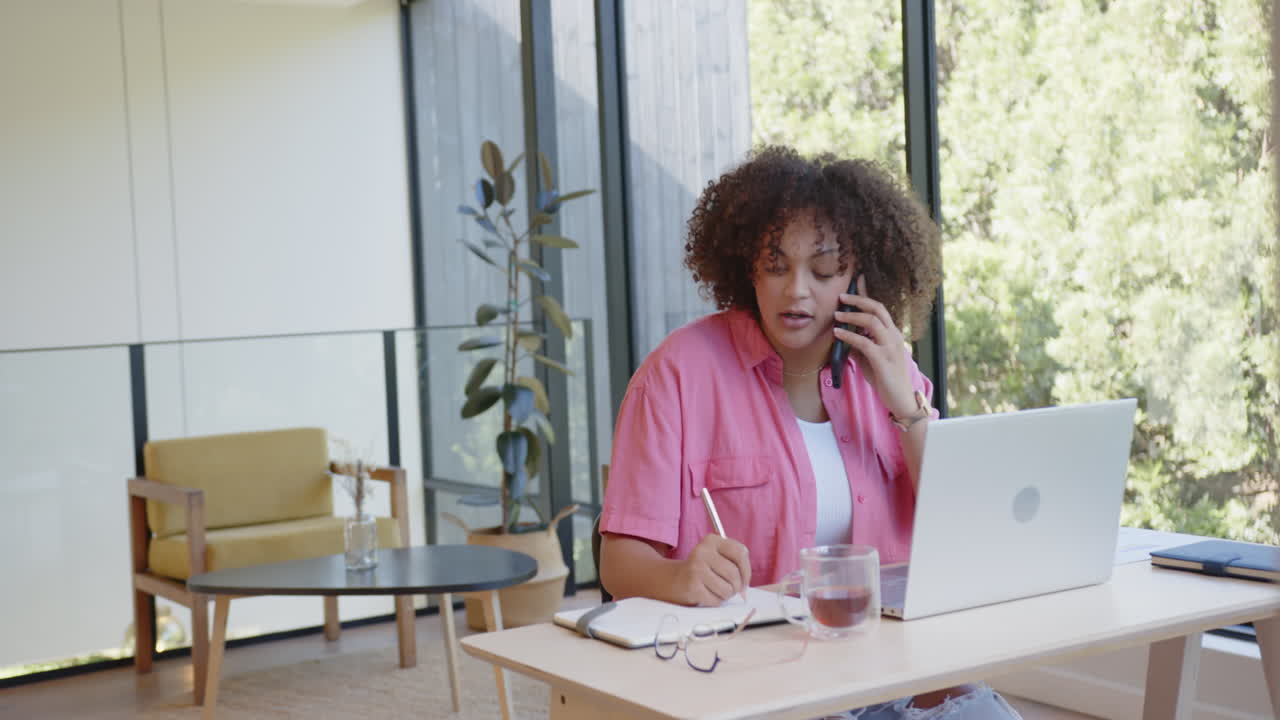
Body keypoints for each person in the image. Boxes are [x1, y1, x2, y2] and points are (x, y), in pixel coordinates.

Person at [598, 146, 1023, 720]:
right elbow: (619, 564)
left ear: (861, 275)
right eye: (776, 265)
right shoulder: (676, 376)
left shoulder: (895, 376)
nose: (797, 290)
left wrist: (907, 408)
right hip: (750, 681)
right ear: (746, 267)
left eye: (823, 271)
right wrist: (678, 577)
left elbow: (962, 532)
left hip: (886, 674)